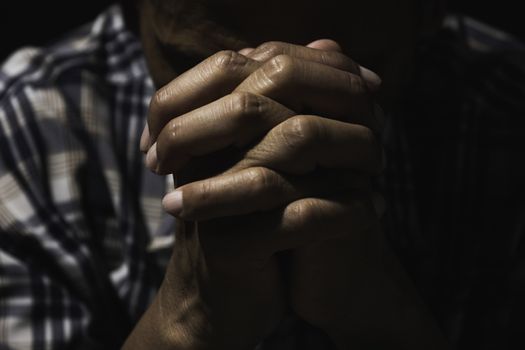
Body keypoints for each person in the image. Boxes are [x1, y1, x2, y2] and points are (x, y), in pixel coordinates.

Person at [1, 0, 523, 349]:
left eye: (343, 70)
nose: (274, 122)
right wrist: (190, 317)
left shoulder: (505, 113)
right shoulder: (32, 122)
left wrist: (374, 310)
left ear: (427, 13)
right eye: (192, 64)